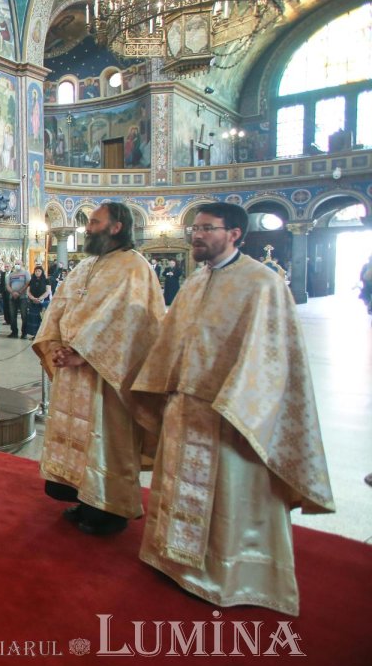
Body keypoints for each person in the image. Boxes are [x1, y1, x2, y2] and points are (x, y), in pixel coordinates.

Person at [133, 203, 334, 615]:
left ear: (235, 234)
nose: (197, 236)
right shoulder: (193, 283)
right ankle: (173, 561)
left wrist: (234, 401)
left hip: (230, 413)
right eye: (195, 228)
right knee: (179, 487)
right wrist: (162, 386)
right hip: (184, 408)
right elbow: (173, 341)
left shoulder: (262, 284)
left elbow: (273, 357)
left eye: (207, 228)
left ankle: (224, 573)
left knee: (229, 494)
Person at [33, 203, 166, 536]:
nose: (87, 228)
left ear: (116, 227)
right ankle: (85, 498)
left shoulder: (135, 268)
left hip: (107, 373)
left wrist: (84, 352)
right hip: (73, 369)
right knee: (81, 440)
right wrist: (57, 345)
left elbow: (131, 320)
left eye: (94, 222)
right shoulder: (86, 266)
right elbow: (61, 306)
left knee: (106, 439)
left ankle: (112, 510)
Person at [21, 266, 51, 339]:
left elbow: (48, 291)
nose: (37, 272)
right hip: (33, 302)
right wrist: (33, 298)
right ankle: (35, 335)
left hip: (43, 302)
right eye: (36, 271)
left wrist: (40, 298)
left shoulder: (46, 280)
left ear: (42, 272)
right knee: (34, 319)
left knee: (41, 318)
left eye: (39, 271)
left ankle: (42, 335)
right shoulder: (32, 280)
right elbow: (28, 291)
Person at [5, 262, 28, 337]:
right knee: (12, 315)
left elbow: (27, 284)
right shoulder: (11, 274)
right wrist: (12, 292)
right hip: (12, 297)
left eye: (18, 263)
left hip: (23, 297)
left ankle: (24, 333)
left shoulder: (25, 273)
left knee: (24, 315)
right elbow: (8, 285)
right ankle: (14, 332)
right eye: (16, 263)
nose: (17, 265)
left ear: (22, 264)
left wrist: (19, 292)